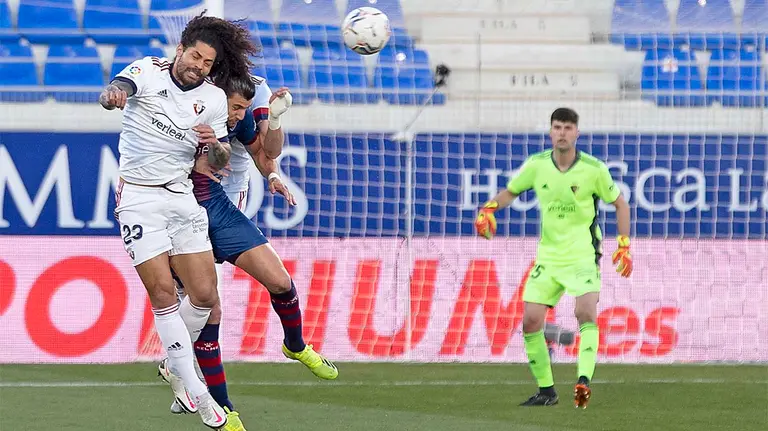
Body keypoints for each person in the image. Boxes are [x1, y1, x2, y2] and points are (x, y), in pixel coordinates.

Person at [101, 14, 258, 429]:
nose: (199, 66)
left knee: (205, 296)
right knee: (163, 294)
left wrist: (214, 145)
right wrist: (113, 94)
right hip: (138, 197)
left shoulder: (214, 99)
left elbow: (220, 160)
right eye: (194, 56)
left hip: (182, 198)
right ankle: (200, 395)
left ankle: (174, 365)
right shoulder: (148, 71)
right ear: (180, 50)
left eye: (207, 63)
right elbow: (121, 86)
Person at [159, 72, 337, 430]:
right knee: (209, 308)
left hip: (218, 207)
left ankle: (295, 345)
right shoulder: (181, 114)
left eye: (244, 108)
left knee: (281, 281)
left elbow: (265, 152)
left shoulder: (234, 122)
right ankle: (225, 410)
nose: (240, 114)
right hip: (180, 214)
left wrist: (273, 125)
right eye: (236, 108)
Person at [474, 108, 633, 409]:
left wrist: (623, 245)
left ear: (577, 133)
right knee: (531, 321)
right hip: (548, 257)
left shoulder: (593, 169)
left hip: (583, 254)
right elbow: (511, 191)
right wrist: (489, 208)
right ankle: (547, 392)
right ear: (550, 132)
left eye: (568, 127)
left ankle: (583, 382)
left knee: (585, 312)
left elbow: (620, 205)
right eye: (557, 127)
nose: (562, 132)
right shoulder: (537, 165)